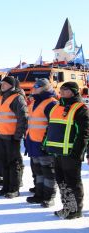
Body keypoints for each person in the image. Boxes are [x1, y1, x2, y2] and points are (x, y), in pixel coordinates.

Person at [44, 81, 89, 219]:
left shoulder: (81, 108)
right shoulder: (57, 107)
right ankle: (67, 207)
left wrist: (77, 153)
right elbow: (50, 127)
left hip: (70, 154)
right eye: (61, 89)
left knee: (72, 182)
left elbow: (84, 133)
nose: (62, 91)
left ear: (74, 92)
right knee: (62, 181)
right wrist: (45, 143)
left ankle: (75, 210)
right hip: (57, 152)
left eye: (66, 89)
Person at [25, 78, 58, 207]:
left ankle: (49, 196)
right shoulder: (35, 102)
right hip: (33, 142)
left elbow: (53, 126)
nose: (34, 88)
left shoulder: (51, 103)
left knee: (48, 171)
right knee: (38, 171)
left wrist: (46, 142)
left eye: (37, 86)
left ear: (45, 88)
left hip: (44, 143)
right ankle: (39, 194)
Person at [0, 76, 28, 198]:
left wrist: (18, 135)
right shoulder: (1, 98)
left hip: (11, 137)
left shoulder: (17, 98)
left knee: (14, 163)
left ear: (12, 85)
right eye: (2, 83)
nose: (2, 85)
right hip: (1, 135)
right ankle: (6, 186)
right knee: (4, 163)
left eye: (5, 83)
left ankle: (14, 188)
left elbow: (23, 118)